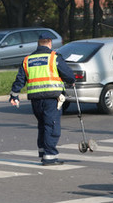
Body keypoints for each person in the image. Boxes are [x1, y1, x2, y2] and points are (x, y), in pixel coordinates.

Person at [9, 32, 75, 166]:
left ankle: (43, 152)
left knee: (43, 125)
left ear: (38, 44)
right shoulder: (54, 57)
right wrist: (71, 80)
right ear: (50, 43)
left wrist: (14, 95)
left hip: (36, 100)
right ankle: (49, 157)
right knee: (51, 126)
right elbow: (68, 74)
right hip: (52, 98)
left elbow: (20, 79)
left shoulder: (28, 59)